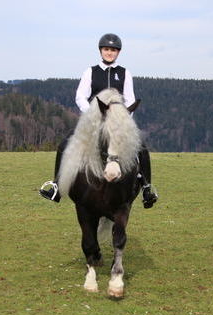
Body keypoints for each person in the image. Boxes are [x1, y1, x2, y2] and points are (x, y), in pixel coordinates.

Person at [39, 33, 158, 208]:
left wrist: (123, 122)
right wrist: (91, 114)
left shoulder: (125, 73)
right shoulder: (90, 71)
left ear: (118, 52)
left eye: (113, 50)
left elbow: (130, 100)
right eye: (107, 49)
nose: (110, 53)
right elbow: (80, 96)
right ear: (101, 51)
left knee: (141, 147)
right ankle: (56, 186)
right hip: (93, 122)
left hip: (118, 124)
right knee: (65, 144)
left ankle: (147, 188)